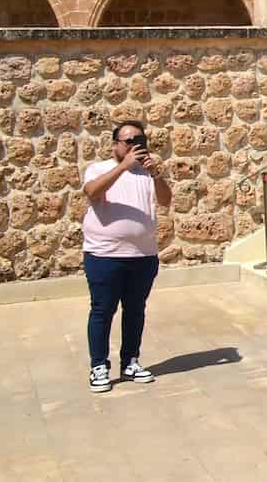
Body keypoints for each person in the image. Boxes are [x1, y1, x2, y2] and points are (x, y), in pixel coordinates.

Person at [82, 119, 171, 392]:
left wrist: (156, 174)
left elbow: (166, 200)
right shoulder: (99, 168)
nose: (135, 145)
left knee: (135, 311)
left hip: (143, 256)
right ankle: (99, 366)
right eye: (129, 141)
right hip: (104, 255)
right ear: (115, 145)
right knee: (102, 310)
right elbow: (92, 192)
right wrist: (123, 167)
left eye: (140, 141)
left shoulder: (147, 174)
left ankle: (130, 361)